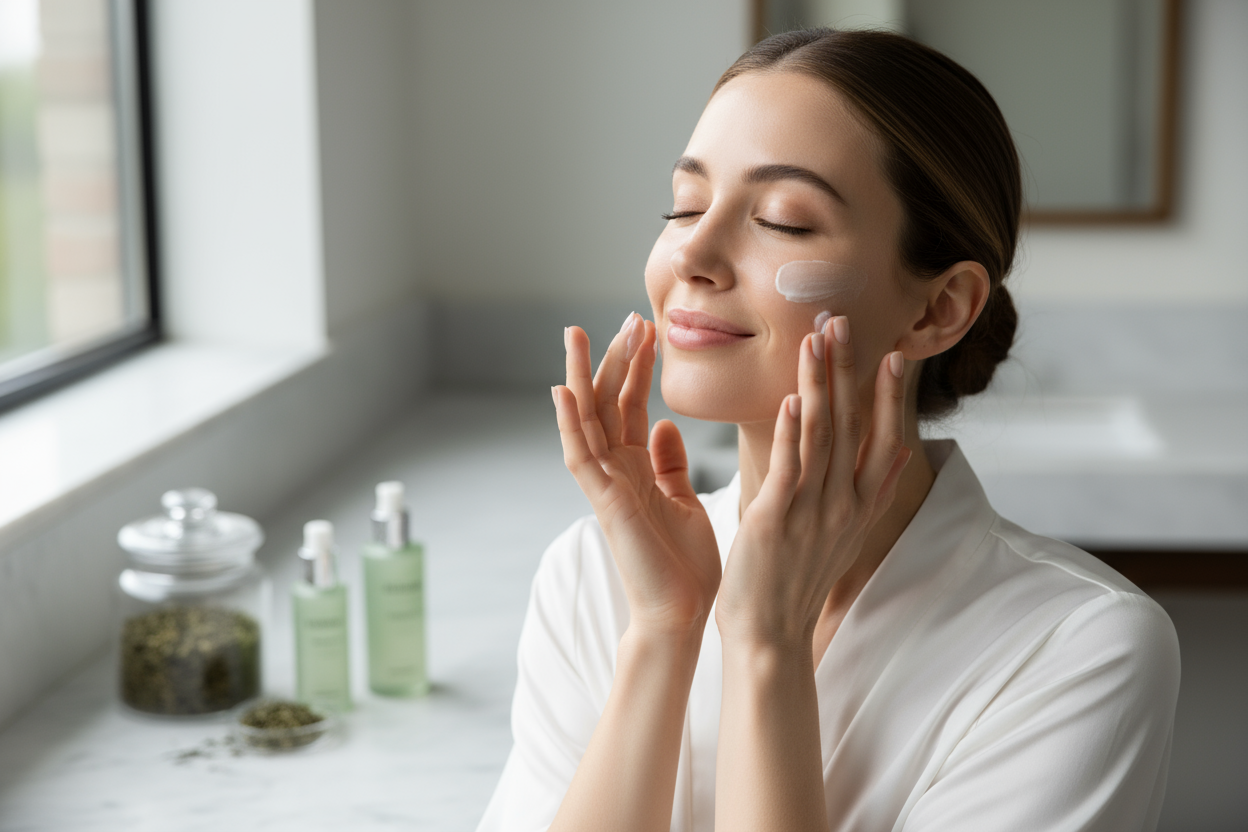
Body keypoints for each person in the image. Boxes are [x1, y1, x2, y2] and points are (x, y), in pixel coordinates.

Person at [478, 28, 1179, 832]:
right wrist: (664, 633)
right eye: (685, 204)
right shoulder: (595, 582)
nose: (694, 255)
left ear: (937, 307)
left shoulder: (1078, 650)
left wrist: (766, 645)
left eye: (783, 220)